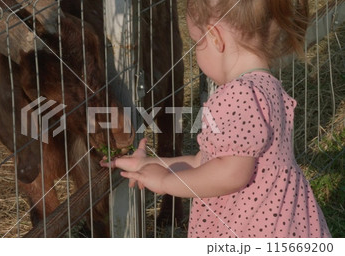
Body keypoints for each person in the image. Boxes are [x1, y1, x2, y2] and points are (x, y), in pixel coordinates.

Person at [101, 0, 331, 238]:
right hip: (283, 222)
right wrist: (149, 165)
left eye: (196, 42)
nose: (195, 50)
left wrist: (164, 184)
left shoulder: (237, 95)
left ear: (215, 38)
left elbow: (230, 174)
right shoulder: (267, 86)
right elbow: (207, 162)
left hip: (251, 230)